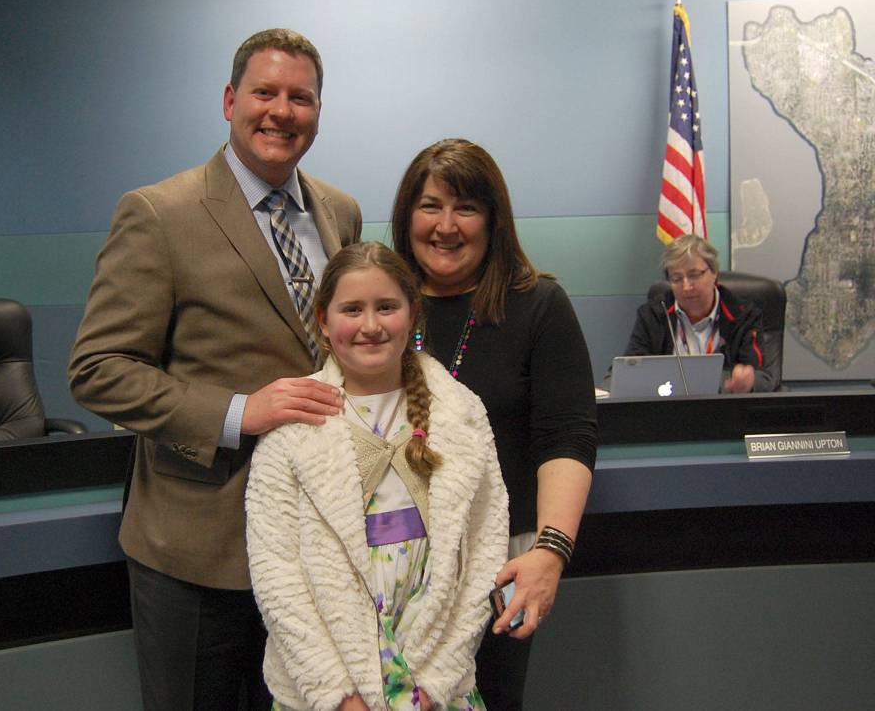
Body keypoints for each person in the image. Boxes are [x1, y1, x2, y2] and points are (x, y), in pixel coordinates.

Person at [68, 28, 361, 711]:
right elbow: (97, 368)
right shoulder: (158, 213)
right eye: (265, 92)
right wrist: (237, 412)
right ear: (230, 100)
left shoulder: (340, 212)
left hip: (315, 551)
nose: (282, 111)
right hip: (198, 550)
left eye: (301, 98)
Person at [246, 242, 509, 711]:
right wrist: (338, 695)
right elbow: (277, 575)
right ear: (324, 321)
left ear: (413, 315)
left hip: (436, 681)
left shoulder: (461, 414)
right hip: (326, 684)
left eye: (387, 307)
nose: (370, 325)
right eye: (352, 309)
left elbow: (485, 549)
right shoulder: (292, 430)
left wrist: (435, 680)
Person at [390, 139, 598, 711]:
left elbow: (568, 437)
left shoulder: (539, 306)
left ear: (494, 220)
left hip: (498, 562)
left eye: (467, 208)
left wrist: (550, 552)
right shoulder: (380, 307)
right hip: (389, 563)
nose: (446, 225)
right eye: (430, 206)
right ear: (407, 215)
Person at [617, 234, 774, 393]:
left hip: (723, 411)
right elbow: (629, 370)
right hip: (667, 411)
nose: (686, 287)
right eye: (676, 279)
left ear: (714, 273)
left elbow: (764, 378)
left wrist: (749, 382)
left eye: (694, 275)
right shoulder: (653, 315)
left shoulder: (743, 316)